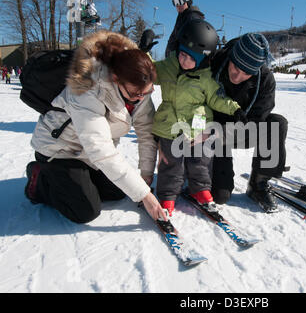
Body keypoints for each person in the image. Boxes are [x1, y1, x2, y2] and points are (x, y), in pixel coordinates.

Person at [24, 30, 166, 224]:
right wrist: (145, 196)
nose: (141, 98)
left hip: (87, 155)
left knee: (118, 191)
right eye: (135, 94)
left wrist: (146, 175)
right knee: (85, 210)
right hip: (60, 151)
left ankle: (77, 181)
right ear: (116, 79)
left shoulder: (138, 87)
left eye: (148, 91)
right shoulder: (87, 89)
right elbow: (101, 150)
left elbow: (146, 134)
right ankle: (39, 179)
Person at [150, 19, 245, 217]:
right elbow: (147, 71)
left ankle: (200, 189)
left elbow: (217, 99)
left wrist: (234, 109)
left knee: (201, 160)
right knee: (171, 163)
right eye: (182, 54)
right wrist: (142, 53)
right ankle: (167, 195)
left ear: (202, 59)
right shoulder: (168, 66)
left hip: (198, 128)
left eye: (190, 58)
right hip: (170, 126)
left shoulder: (207, 78)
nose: (184, 61)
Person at [210, 33, 289, 213]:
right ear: (231, 58)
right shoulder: (214, 62)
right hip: (210, 130)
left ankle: (259, 182)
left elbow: (256, 123)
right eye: (235, 68)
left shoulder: (265, 80)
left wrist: (224, 133)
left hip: (237, 130)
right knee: (220, 195)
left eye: (246, 73)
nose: (237, 76)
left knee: (276, 124)